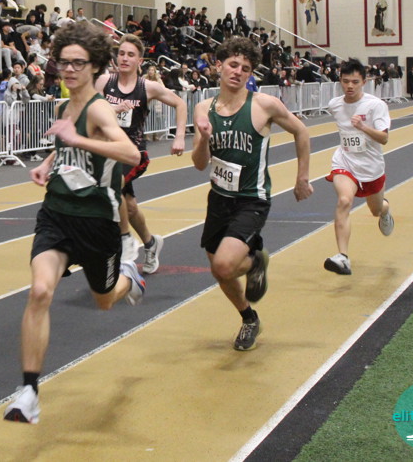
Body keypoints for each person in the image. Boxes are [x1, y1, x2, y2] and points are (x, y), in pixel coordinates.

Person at [3, 22, 145, 425]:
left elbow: (130, 154)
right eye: (63, 62)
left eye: (78, 63)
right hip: (57, 214)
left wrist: (79, 140)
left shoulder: (99, 108)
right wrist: (48, 163)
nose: (68, 70)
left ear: (94, 65)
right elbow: (66, 142)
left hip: (97, 223)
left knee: (105, 300)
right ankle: (28, 392)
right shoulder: (63, 109)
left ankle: (130, 276)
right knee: (40, 291)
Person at [191, 36, 313, 352]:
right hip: (219, 199)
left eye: (245, 68)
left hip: (251, 200)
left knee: (224, 265)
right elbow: (200, 164)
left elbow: (301, 131)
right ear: (219, 66)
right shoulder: (203, 108)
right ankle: (249, 318)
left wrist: (302, 177)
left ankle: (256, 260)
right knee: (220, 271)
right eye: (233, 65)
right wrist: (203, 138)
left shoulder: (263, 105)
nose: (238, 72)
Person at [95, 34, 186, 273]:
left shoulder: (147, 87)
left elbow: (180, 104)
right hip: (108, 151)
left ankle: (120, 247)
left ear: (139, 60)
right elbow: (89, 108)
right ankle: (150, 243)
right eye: (121, 54)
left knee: (110, 190)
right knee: (130, 206)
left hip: (133, 153)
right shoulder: (104, 82)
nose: (124, 58)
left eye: (130, 55)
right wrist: (112, 109)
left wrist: (178, 136)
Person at [322, 59, 395, 276]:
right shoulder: (335, 104)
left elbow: (384, 139)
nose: (350, 86)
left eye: (355, 82)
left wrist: (363, 127)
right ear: (340, 81)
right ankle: (343, 257)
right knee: (344, 201)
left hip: (371, 166)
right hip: (345, 162)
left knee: (376, 210)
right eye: (345, 81)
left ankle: (385, 210)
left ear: (364, 81)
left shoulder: (375, 105)